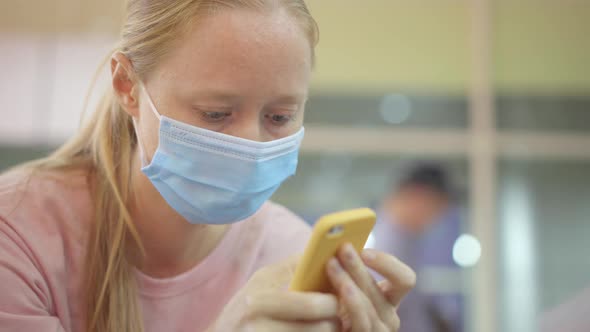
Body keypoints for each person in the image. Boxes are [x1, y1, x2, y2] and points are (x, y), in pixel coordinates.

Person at [0, 1, 415, 332]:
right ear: (127, 86)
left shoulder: (290, 254)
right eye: (215, 113)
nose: (250, 146)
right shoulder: (18, 233)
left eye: (279, 117)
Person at [369, 163, 463, 332]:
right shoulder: (387, 243)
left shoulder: (409, 239)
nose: (438, 217)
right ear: (418, 196)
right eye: (438, 206)